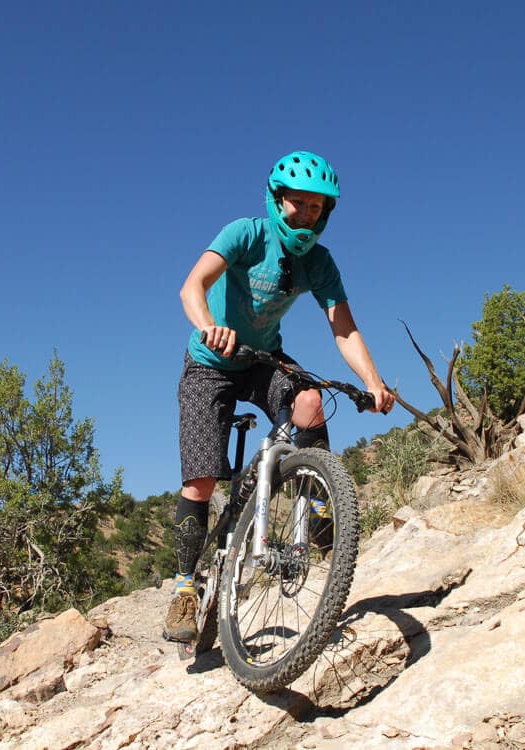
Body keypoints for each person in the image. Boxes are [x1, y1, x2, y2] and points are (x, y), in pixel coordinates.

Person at [164, 150, 395, 642]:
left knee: (310, 401)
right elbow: (192, 286)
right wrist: (209, 328)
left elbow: (344, 328)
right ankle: (185, 586)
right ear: (278, 200)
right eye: (300, 205)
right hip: (210, 364)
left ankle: (316, 509)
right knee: (202, 480)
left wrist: (374, 381)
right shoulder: (246, 233)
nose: (308, 216)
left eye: (318, 208)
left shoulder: (319, 262)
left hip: (263, 358)